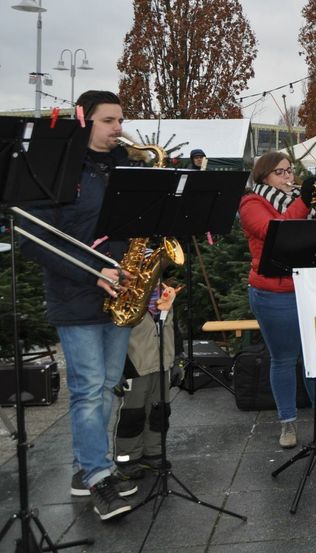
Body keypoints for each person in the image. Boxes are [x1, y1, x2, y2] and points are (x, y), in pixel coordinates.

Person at [18, 90, 139, 520]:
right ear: (84, 119)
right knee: (88, 391)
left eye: (120, 120)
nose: (118, 128)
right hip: (77, 297)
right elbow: (33, 239)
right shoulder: (55, 169)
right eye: (109, 121)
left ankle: (86, 468)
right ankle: (97, 475)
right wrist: (94, 273)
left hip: (122, 295)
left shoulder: (125, 164)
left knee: (106, 387)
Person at [239, 152, 316, 449]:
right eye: (280, 172)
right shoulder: (251, 204)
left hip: (310, 288)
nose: (288, 177)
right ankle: (287, 423)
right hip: (274, 291)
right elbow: (277, 229)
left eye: (290, 171)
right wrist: (304, 201)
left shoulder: (299, 199)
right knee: (284, 359)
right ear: (263, 177)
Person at [113, 285, 177, 479]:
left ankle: (153, 452)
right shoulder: (125, 298)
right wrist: (118, 369)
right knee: (132, 413)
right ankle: (127, 458)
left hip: (162, 364)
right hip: (134, 366)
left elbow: (174, 328)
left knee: (160, 410)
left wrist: (177, 359)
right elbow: (115, 336)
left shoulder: (166, 293)